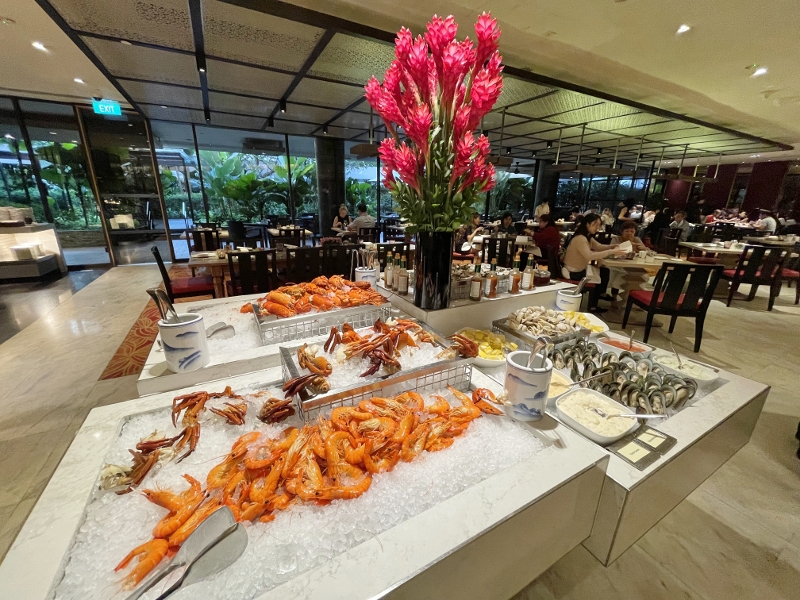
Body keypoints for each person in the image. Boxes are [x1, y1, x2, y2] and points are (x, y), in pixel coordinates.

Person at [562, 214, 626, 313]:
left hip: (578, 269)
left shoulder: (587, 237)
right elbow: (589, 256)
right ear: (587, 224)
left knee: (604, 271)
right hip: (573, 271)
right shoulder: (580, 238)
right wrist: (612, 251)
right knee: (599, 276)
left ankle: (600, 295)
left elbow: (599, 247)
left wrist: (613, 246)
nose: (597, 228)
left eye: (599, 225)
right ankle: (594, 303)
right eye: (595, 224)